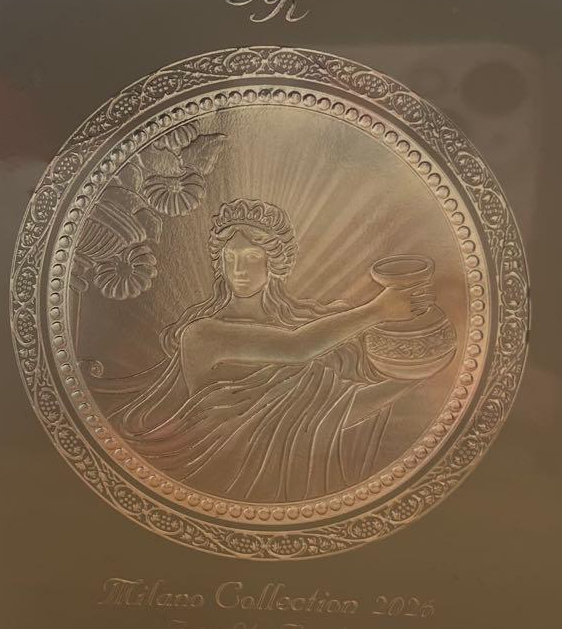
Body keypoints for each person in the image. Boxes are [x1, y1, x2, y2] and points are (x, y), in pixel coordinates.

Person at [89, 198, 436, 504]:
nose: (239, 268)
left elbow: (337, 410)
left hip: (298, 495)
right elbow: (296, 348)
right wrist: (377, 310)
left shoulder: (319, 327)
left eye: (252, 256)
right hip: (214, 486)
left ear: (275, 262)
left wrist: (416, 375)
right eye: (230, 257)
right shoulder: (201, 335)